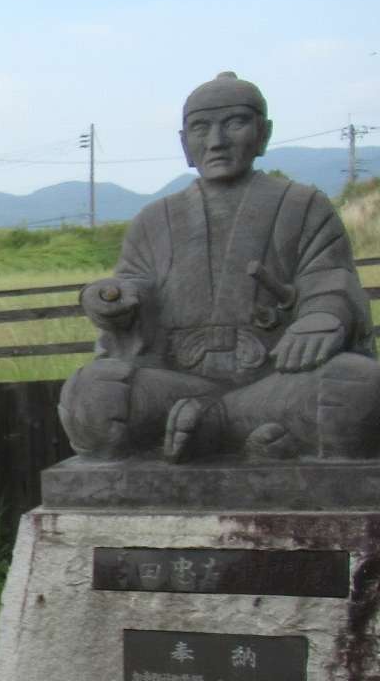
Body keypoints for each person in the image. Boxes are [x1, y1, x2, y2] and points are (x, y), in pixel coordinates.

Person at [60, 72, 380, 461]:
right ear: (184, 143)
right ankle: (239, 433)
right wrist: (110, 302)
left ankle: (212, 428)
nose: (216, 141)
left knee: (357, 387)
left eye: (235, 123)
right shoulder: (155, 218)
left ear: (263, 133)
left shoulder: (303, 205)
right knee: (91, 395)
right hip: (177, 385)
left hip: (274, 384)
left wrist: (322, 317)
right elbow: (133, 288)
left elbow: (330, 280)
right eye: (201, 127)